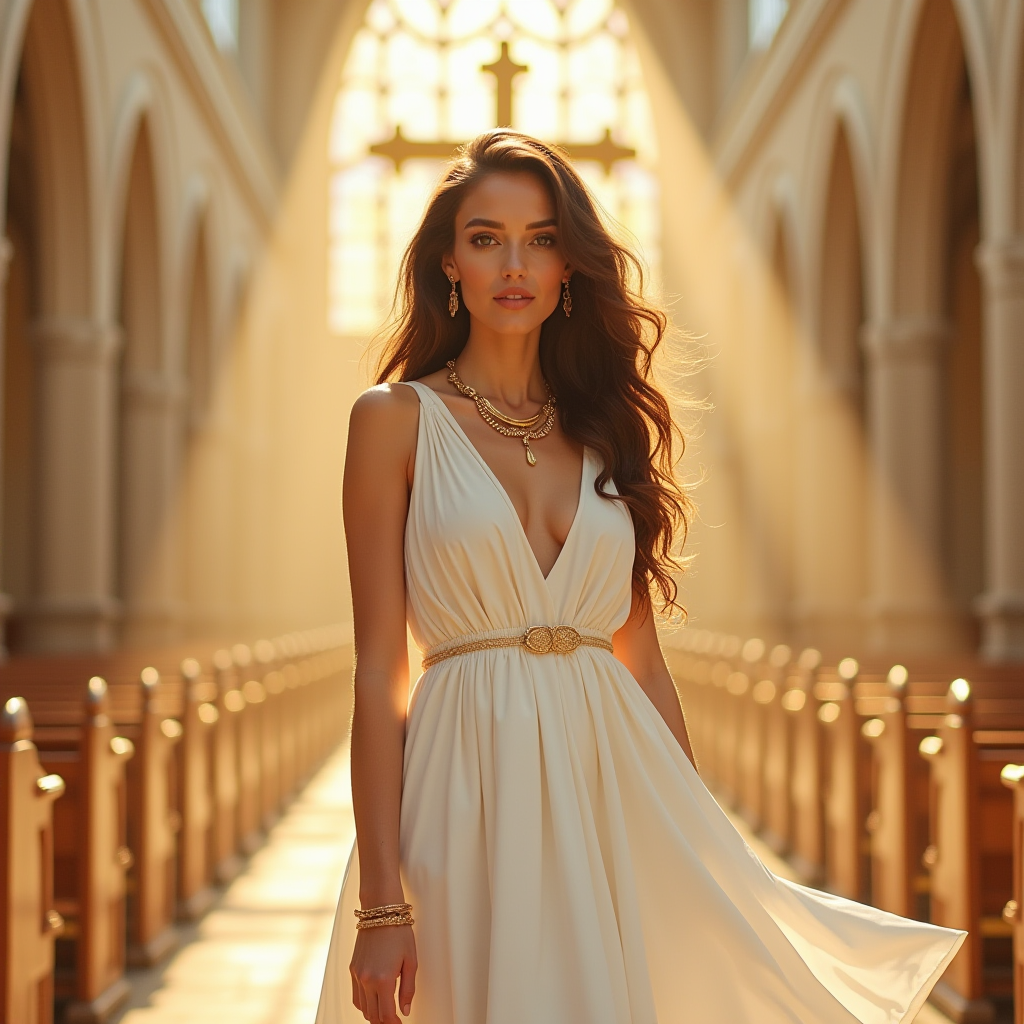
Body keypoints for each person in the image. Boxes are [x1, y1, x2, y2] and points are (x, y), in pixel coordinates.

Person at [315, 129, 964, 1024]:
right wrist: (382, 904)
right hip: (464, 786)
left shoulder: (604, 429)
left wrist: (702, 852)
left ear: (570, 268)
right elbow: (378, 670)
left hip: (608, 789)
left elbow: (643, 664)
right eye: (485, 237)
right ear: (447, 266)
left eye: (542, 239)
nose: (515, 263)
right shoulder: (392, 420)